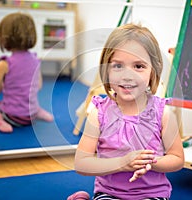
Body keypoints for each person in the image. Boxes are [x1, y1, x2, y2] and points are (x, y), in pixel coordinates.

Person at [68, 23, 184, 200]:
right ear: (106, 70)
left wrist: (150, 162)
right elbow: (81, 164)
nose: (127, 76)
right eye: (118, 66)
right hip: (109, 193)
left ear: (153, 71)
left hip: (152, 195)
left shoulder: (163, 114)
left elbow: (177, 159)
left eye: (138, 66)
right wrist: (122, 163)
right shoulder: (98, 114)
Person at [0, 13, 53, 133]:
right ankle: (37, 110)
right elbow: (38, 86)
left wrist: (3, 84)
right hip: (30, 116)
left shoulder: (5, 64)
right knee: (8, 102)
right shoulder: (36, 60)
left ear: (4, 39)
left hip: (12, 117)